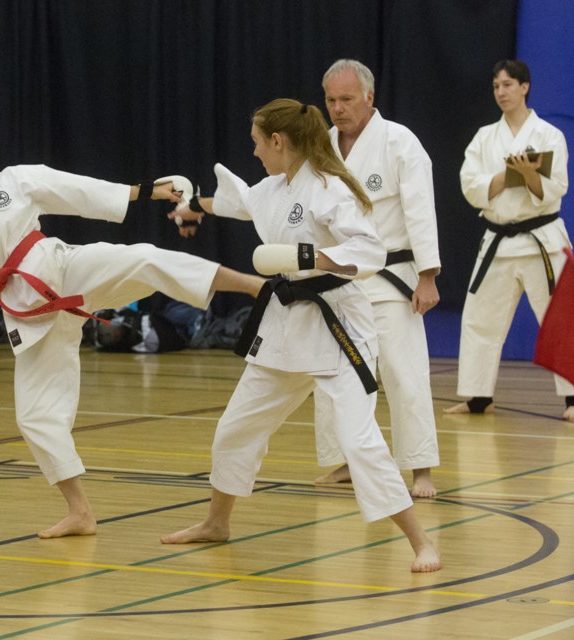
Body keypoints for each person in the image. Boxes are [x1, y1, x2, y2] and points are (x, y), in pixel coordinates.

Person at [0, 117, 265, 539]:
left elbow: (80, 190)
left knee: (142, 258)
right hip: (30, 315)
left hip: (63, 268)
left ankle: (255, 285)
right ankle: (80, 512)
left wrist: (149, 191)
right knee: (35, 416)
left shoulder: (18, 181)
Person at [161, 99, 441, 572]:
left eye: (256, 143)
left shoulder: (331, 189)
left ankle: (422, 542)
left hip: (338, 326)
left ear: (278, 141)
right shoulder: (272, 189)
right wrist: (191, 208)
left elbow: (368, 249)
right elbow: (236, 201)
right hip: (287, 326)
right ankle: (216, 522)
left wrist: (310, 259)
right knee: (235, 428)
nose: (253, 153)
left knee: (358, 440)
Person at [310, 59, 442, 498]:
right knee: (333, 374)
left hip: (392, 277)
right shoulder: (321, 147)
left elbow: (420, 211)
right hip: (340, 281)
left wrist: (428, 276)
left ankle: (420, 467)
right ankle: (344, 460)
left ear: (369, 96)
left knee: (404, 374)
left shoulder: (400, 142)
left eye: (346, 99)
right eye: (331, 100)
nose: (338, 108)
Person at [447, 59, 574, 421]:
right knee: (479, 318)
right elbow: (469, 185)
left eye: (507, 85)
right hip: (499, 239)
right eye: (496, 86)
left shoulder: (550, 134)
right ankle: (478, 398)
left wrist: (530, 177)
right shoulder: (484, 137)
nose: (501, 92)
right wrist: (509, 176)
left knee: (559, 318)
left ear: (525, 87)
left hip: (542, 238)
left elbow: (557, 188)